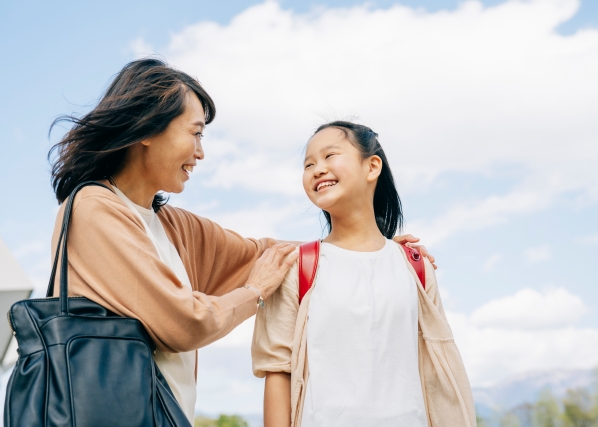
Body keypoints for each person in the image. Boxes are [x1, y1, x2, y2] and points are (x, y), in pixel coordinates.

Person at [48, 59, 433, 425]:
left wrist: (370, 248)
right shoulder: (92, 207)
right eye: (195, 133)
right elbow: (183, 324)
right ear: (148, 128)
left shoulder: (172, 226)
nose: (201, 152)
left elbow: (263, 253)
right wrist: (255, 293)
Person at [252, 121, 476, 427]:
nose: (317, 169)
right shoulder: (294, 267)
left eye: (330, 156)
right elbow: (277, 369)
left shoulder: (416, 266)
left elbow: (439, 367)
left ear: (372, 167)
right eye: (309, 164)